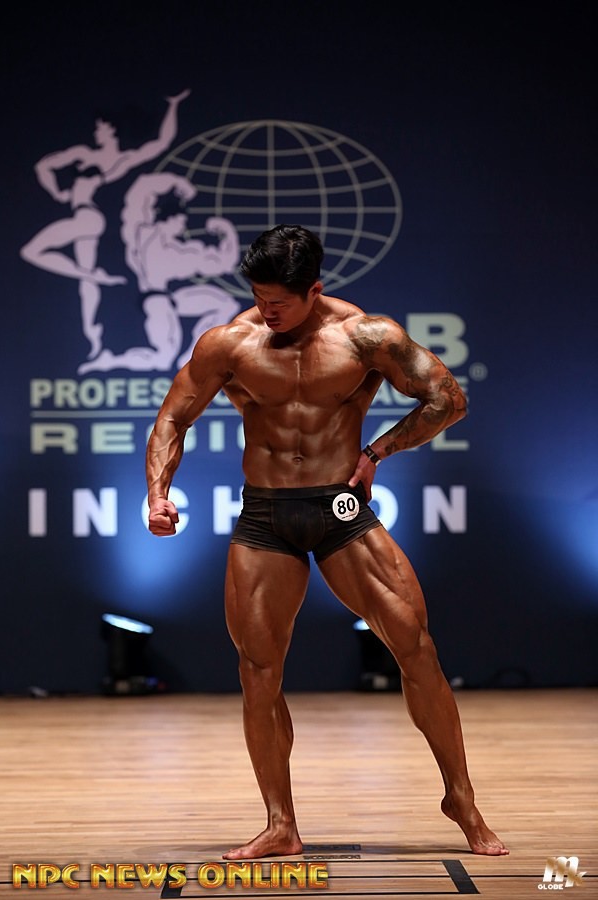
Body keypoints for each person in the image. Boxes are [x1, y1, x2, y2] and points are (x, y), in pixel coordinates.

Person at [146, 224, 508, 859]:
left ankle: (462, 800)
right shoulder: (229, 344)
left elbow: (447, 400)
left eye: (280, 302)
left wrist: (377, 451)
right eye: (259, 297)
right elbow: (173, 417)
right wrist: (157, 493)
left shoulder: (367, 337)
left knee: (415, 647)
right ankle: (280, 823)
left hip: (341, 508)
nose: (267, 311)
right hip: (265, 515)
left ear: (314, 290)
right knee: (258, 670)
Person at [20, 90, 190, 360]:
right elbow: (44, 166)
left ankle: (94, 279)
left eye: (100, 128)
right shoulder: (90, 155)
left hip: (87, 217)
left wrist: (173, 106)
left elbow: (161, 143)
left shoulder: (113, 159)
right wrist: (56, 192)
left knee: (31, 251)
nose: (96, 133)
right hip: (88, 218)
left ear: (112, 130)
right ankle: (93, 337)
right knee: (86, 284)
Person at [78, 172, 240, 373]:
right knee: (163, 358)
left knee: (225, 304)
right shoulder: (144, 235)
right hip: (156, 301)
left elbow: (222, 263)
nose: (182, 227)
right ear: (169, 219)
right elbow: (140, 194)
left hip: (172, 298)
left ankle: (195, 354)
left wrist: (227, 233)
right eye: (180, 222)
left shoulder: (177, 251)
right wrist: (175, 182)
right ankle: (110, 360)